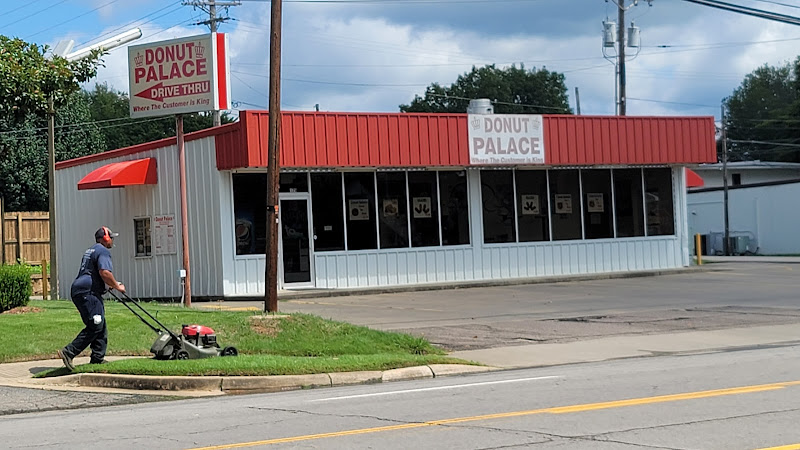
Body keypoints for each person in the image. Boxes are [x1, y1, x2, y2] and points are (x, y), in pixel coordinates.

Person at [57, 226, 125, 371]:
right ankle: (68, 352)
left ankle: (97, 358)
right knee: (95, 325)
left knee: (101, 324)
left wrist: (107, 285)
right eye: (111, 237)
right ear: (105, 238)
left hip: (82, 290)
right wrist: (118, 286)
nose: (112, 240)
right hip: (88, 292)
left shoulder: (91, 250)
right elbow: (104, 272)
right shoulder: (103, 251)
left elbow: (94, 273)